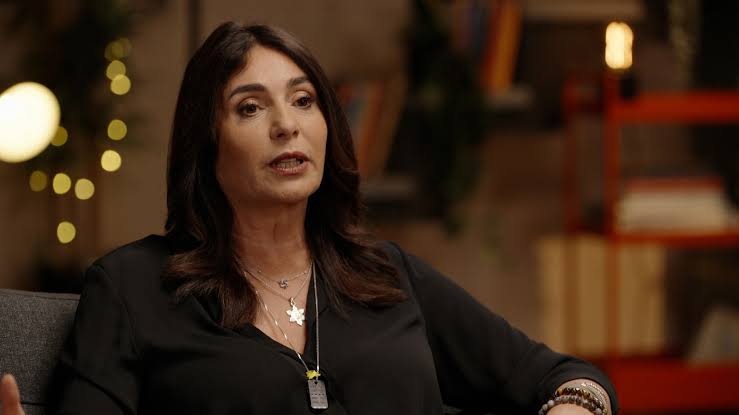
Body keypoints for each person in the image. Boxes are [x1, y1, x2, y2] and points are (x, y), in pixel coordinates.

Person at [0, 22, 618, 414]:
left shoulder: (387, 275)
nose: (286, 125)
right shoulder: (131, 287)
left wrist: (576, 407)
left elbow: (569, 378)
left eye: (303, 100)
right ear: (206, 145)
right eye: (250, 107)